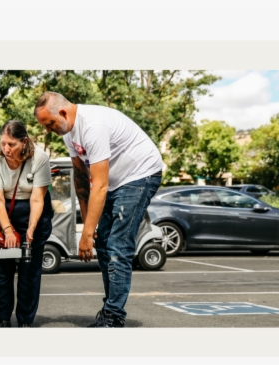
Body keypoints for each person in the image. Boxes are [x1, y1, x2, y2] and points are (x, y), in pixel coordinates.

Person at [34, 92, 163, 328]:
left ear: (63, 112)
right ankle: (110, 309)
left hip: (140, 175)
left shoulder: (93, 126)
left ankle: (113, 316)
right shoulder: (68, 132)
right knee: (103, 243)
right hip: (114, 182)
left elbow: (100, 186)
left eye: (49, 124)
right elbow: (82, 179)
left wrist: (85, 235)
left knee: (117, 246)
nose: (48, 130)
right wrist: (88, 227)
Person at [0, 120, 54, 328]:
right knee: (2, 271)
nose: (6, 149)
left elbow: (37, 199)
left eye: (11, 144)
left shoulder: (40, 159)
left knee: (29, 272)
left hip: (33, 212)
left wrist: (31, 229)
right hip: (2, 212)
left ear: (24, 142)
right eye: (3, 143)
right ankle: (3, 319)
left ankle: (25, 321)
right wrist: (7, 230)